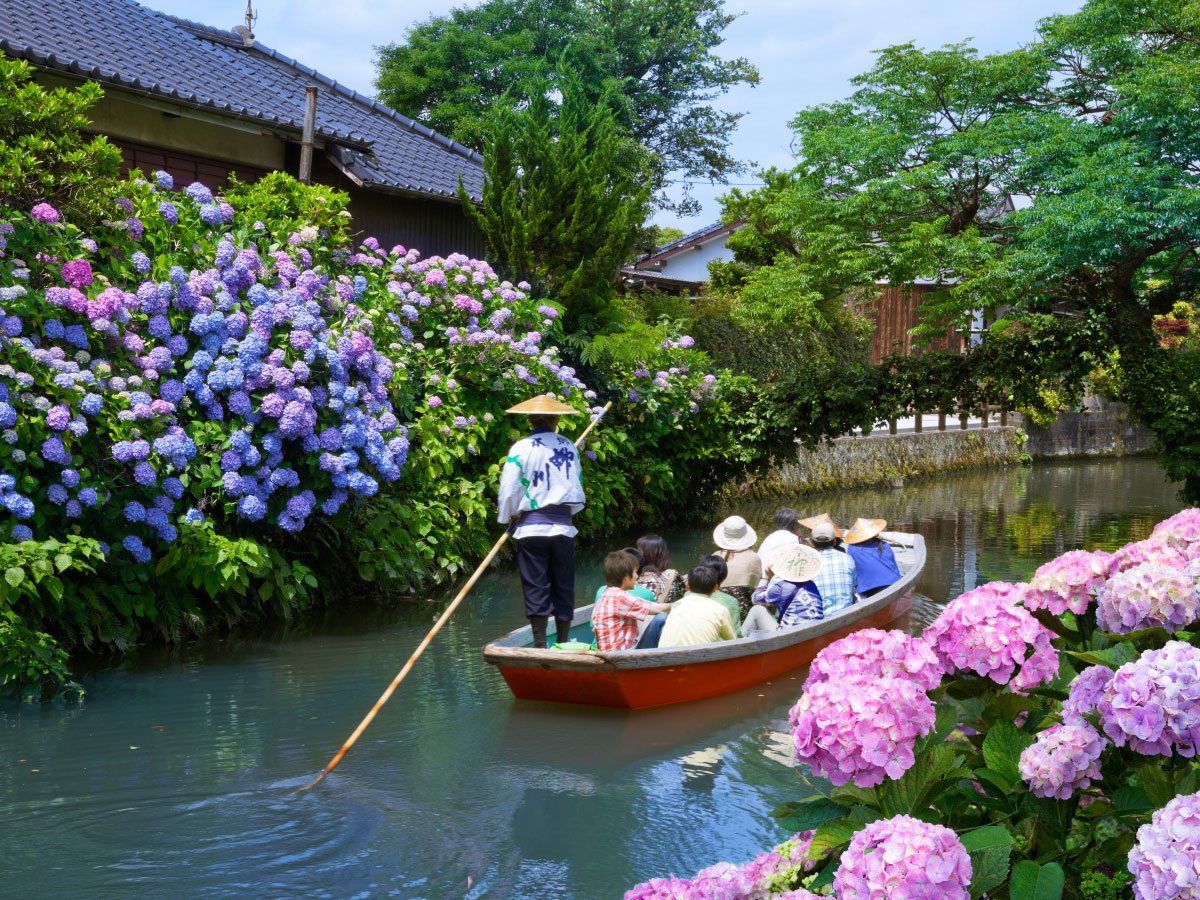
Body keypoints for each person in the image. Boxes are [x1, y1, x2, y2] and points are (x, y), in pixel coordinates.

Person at [497, 394, 585, 649]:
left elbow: (509, 491)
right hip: (562, 528)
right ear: (556, 419)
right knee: (563, 584)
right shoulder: (568, 446)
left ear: (530, 421)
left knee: (536, 585)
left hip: (531, 529)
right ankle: (563, 642)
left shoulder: (520, 449)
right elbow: (576, 493)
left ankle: (539, 644)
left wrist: (509, 517)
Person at [592, 551, 672, 652]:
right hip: (621, 657)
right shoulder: (619, 597)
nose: (637, 577)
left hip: (611, 653)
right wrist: (679, 604)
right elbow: (660, 609)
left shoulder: (606, 594)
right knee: (661, 617)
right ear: (626, 578)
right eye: (635, 573)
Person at [741, 544, 824, 636]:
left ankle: (739, 640)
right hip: (816, 633)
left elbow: (756, 599)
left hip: (791, 637)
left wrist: (766, 578)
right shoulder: (812, 585)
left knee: (757, 609)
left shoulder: (782, 586)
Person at [658, 564, 737, 648]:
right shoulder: (721, 610)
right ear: (715, 588)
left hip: (666, 659)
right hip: (700, 659)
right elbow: (733, 643)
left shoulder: (676, 606)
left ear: (687, 585)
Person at [712, 515, 761, 615]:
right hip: (743, 612)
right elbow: (755, 589)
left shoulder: (714, 557)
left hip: (718, 611)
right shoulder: (754, 558)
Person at [843, 517, 902, 597]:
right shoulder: (885, 545)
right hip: (894, 583)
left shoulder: (852, 549)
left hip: (869, 589)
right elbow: (894, 567)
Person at [808, 520, 857, 613]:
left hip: (818, 617)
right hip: (845, 613)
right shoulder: (847, 558)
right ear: (834, 541)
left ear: (812, 543)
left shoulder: (808, 562)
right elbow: (854, 584)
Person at [700, 554, 742, 632]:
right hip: (723, 643)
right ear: (724, 575)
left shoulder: (688, 596)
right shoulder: (731, 601)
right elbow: (736, 634)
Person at [636, 534, 684, 604]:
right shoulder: (673, 574)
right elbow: (682, 595)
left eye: (639, 551)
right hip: (666, 613)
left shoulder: (635, 577)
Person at [757, 508, 802, 579]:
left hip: (760, 577)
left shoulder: (770, 537)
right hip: (773, 579)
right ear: (795, 525)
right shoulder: (794, 539)